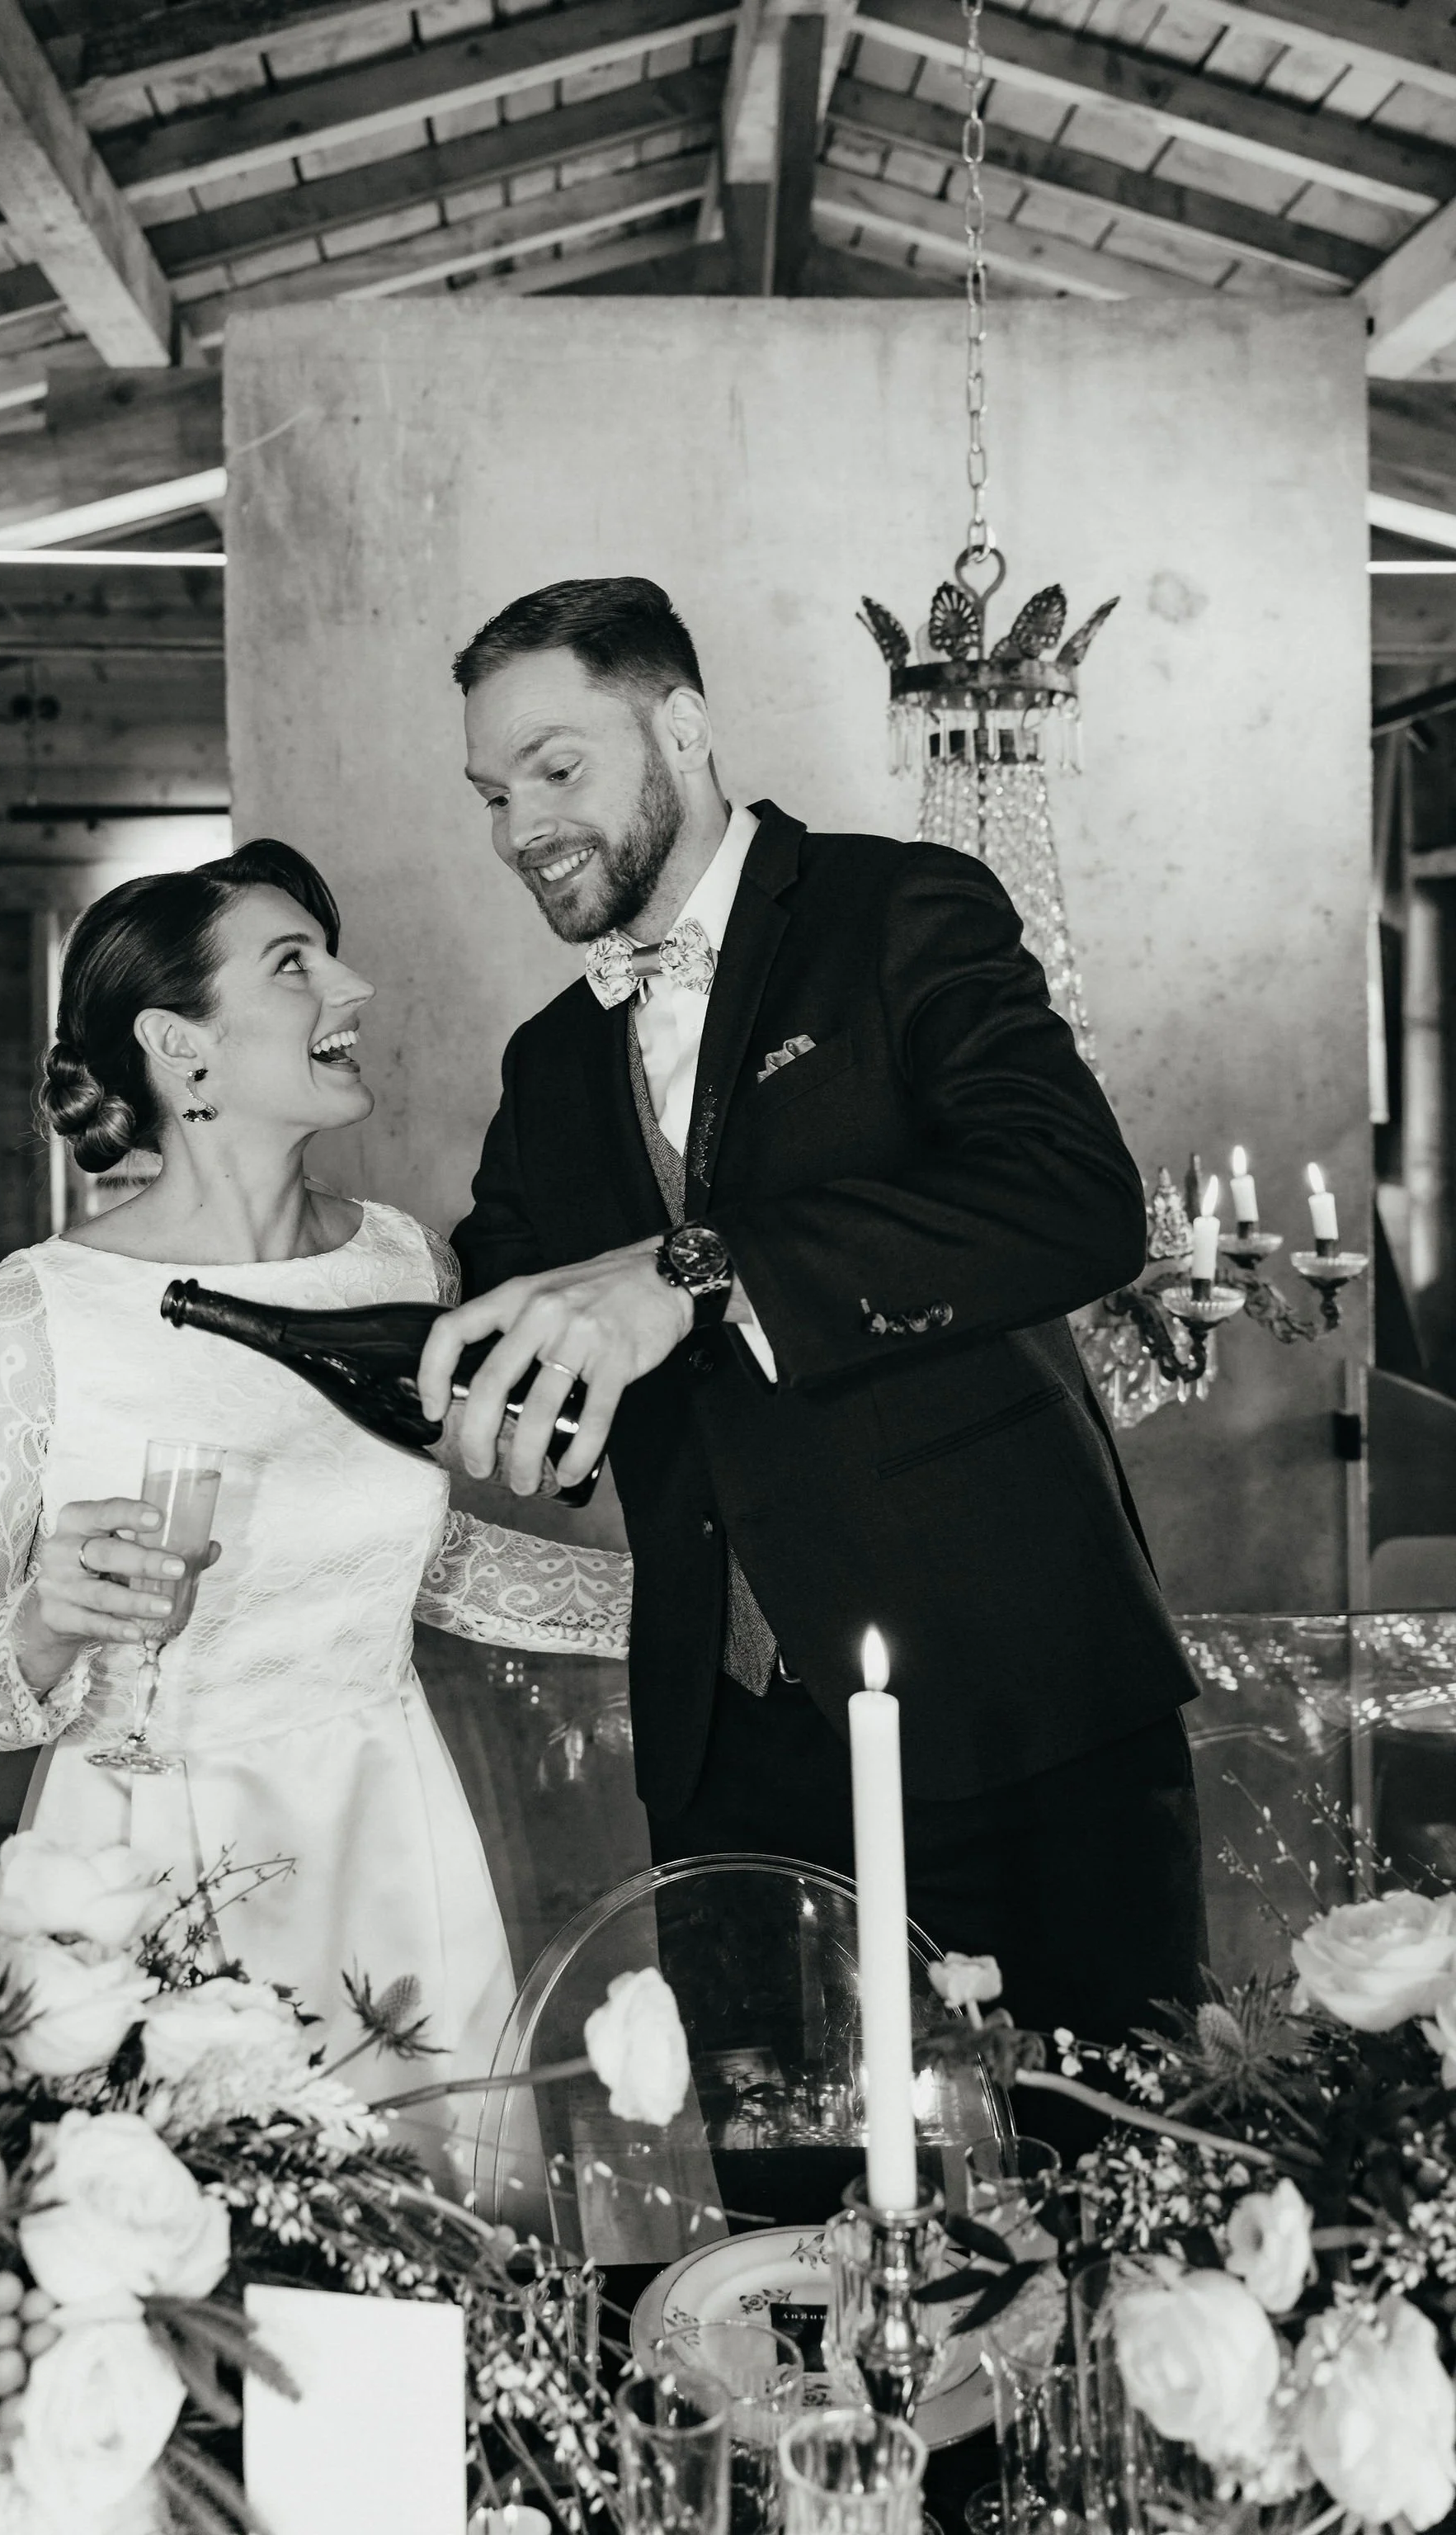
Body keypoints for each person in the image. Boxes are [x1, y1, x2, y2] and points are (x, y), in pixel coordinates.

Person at [420, 577, 1206, 2048]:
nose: (521, 827)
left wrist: (695, 1270)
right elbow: (498, 1320)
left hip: (1019, 1714)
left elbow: (1073, 1199)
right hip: (733, 1770)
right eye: (492, 795)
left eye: (556, 768)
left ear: (683, 727)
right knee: (782, 2186)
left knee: (1106, 2163)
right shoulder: (549, 1063)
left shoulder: (898, 910)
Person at [0, 838, 629, 2179]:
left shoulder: (405, 1264)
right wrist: (46, 1624)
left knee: (430, 2230)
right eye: (295, 965)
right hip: (146, 1867)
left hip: (391, 1833)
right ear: (183, 1046)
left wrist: (688, 1601)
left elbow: (410, 1558)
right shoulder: (24, 1321)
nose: (355, 988)